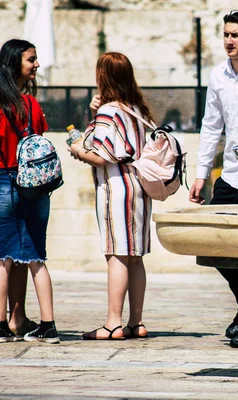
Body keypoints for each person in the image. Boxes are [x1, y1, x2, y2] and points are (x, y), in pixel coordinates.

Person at [188, 10, 238, 349]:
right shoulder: (218, 75)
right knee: (219, 245)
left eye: (235, 35)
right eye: (225, 34)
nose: (228, 41)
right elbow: (211, 126)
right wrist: (200, 174)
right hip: (230, 173)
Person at [69, 52, 153, 340]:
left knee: (116, 255)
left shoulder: (110, 111)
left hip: (117, 189)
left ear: (102, 77)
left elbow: (100, 155)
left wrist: (77, 150)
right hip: (140, 188)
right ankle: (136, 322)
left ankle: (113, 323)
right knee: (136, 257)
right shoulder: (137, 110)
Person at [0, 39, 59, 343]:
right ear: (14, 64)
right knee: (32, 255)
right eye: (31, 60)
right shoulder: (31, 105)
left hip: (2, 181)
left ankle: (4, 323)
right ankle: (31, 321)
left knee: (2, 257)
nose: (36, 64)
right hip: (33, 187)